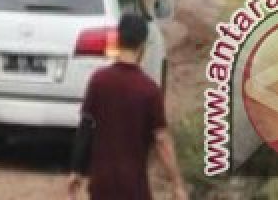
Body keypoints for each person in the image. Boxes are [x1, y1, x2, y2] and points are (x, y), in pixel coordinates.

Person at [68, 12, 189, 200]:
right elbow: (162, 139)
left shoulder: (99, 81)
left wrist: (76, 170)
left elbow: (86, 126)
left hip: (101, 187)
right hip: (134, 189)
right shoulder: (149, 90)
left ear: (117, 39)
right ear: (142, 46)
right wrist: (177, 183)